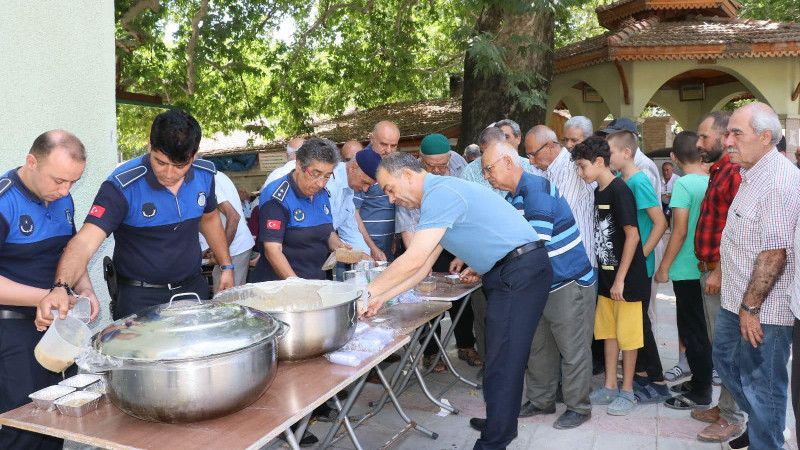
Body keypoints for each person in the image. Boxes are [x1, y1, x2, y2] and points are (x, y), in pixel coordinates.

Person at [364, 152, 552, 450]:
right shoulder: (437, 197)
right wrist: (382, 298)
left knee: (505, 362)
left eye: (389, 189)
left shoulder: (441, 194)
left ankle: (495, 440)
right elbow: (424, 265)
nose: (390, 199)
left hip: (520, 270)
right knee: (498, 356)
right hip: (508, 272)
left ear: (408, 176)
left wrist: (367, 293)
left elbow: (412, 259)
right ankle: (498, 423)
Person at [36, 109, 234, 326]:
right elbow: (84, 243)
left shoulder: (205, 175)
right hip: (140, 299)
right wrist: (61, 288)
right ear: (149, 145)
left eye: (179, 166)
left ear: (194, 155)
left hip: (192, 291)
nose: (168, 174)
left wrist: (226, 266)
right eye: (160, 162)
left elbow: (209, 219)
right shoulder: (121, 186)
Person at [482, 141, 595, 429]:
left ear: (508, 162)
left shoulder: (536, 190)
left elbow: (532, 245)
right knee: (538, 347)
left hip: (568, 283)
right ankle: (541, 400)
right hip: (538, 285)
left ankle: (578, 407)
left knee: (573, 349)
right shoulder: (512, 197)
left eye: (489, 168)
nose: (487, 176)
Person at [0, 131, 98, 450]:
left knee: (56, 419)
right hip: (12, 332)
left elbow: (70, 252)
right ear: (32, 162)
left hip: (57, 328)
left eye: (73, 181)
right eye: (59, 180)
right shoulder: (5, 201)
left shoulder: (63, 198)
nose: (66, 190)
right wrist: (45, 298)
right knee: (21, 426)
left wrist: (85, 289)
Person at [713, 102, 800, 450]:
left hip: (764, 310)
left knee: (762, 384)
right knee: (728, 363)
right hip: (737, 299)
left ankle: (768, 436)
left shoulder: (778, 182)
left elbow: (774, 253)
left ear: (766, 137)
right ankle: (767, 424)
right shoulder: (753, 173)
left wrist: (750, 309)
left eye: (736, 133)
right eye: (727, 132)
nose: (727, 140)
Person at [573, 137, 649, 416]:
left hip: (626, 280)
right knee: (607, 334)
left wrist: (620, 279)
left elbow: (632, 235)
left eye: (582, 167)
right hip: (605, 275)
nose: (580, 173)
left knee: (628, 337)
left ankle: (628, 392)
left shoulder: (620, 190)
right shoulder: (598, 191)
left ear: (600, 162)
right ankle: (609, 386)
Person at [394, 134, 479, 371]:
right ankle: (431, 352)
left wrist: (462, 253)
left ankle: (465, 345)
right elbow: (407, 224)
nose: (437, 170)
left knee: (462, 296)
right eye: (430, 165)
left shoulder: (460, 165)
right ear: (420, 159)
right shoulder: (409, 176)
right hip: (422, 241)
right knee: (427, 298)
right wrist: (419, 261)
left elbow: (468, 209)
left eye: (441, 165)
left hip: (455, 240)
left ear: (450, 158)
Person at [687, 110, 746, 444]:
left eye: (704, 137)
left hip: (722, 274)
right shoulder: (719, 171)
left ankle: (733, 417)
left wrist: (720, 270)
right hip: (710, 271)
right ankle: (725, 407)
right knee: (720, 347)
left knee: (728, 350)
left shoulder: (734, 174)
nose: (698, 143)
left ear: (725, 138)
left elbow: (740, 230)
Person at [606, 131, 670, 405]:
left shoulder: (639, 181)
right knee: (634, 325)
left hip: (638, 267)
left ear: (626, 153)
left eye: (610, 152)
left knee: (640, 326)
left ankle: (657, 381)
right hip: (628, 265)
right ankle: (644, 375)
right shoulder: (622, 181)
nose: (607, 158)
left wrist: (641, 257)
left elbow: (660, 222)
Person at [653, 131, 713, 410]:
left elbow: (678, 231)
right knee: (698, 329)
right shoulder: (710, 179)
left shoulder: (684, 185)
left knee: (692, 332)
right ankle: (700, 378)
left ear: (674, 158)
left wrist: (664, 266)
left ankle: (701, 392)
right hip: (703, 267)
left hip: (687, 269)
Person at [252, 138, 351, 281]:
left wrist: (340, 246)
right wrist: (297, 285)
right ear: (299, 165)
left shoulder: (322, 194)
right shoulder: (278, 197)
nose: (321, 183)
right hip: (282, 287)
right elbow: (273, 251)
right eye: (315, 175)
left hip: (316, 282)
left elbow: (327, 232)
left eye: (327, 176)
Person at [200, 171, 255, 292]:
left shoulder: (206, 178)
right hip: (234, 245)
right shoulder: (214, 175)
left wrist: (220, 252)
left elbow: (233, 217)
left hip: (236, 247)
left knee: (227, 299)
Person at [354, 121, 400, 261]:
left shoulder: (389, 164)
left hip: (385, 247)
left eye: (394, 146)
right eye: (383, 144)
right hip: (365, 250)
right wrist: (371, 247)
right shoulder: (362, 165)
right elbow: (352, 213)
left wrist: (394, 236)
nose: (389, 150)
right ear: (371, 139)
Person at [460, 122, 543, 197]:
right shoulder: (470, 172)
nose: (487, 156)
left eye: (493, 150)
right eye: (483, 152)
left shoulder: (527, 165)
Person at [660, 162, 679, 226]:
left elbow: (678, 193)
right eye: (663, 170)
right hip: (662, 203)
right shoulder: (659, 179)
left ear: (672, 170)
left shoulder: (677, 179)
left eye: (667, 170)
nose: (665, 172)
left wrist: (666, 195)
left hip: (673, 204)